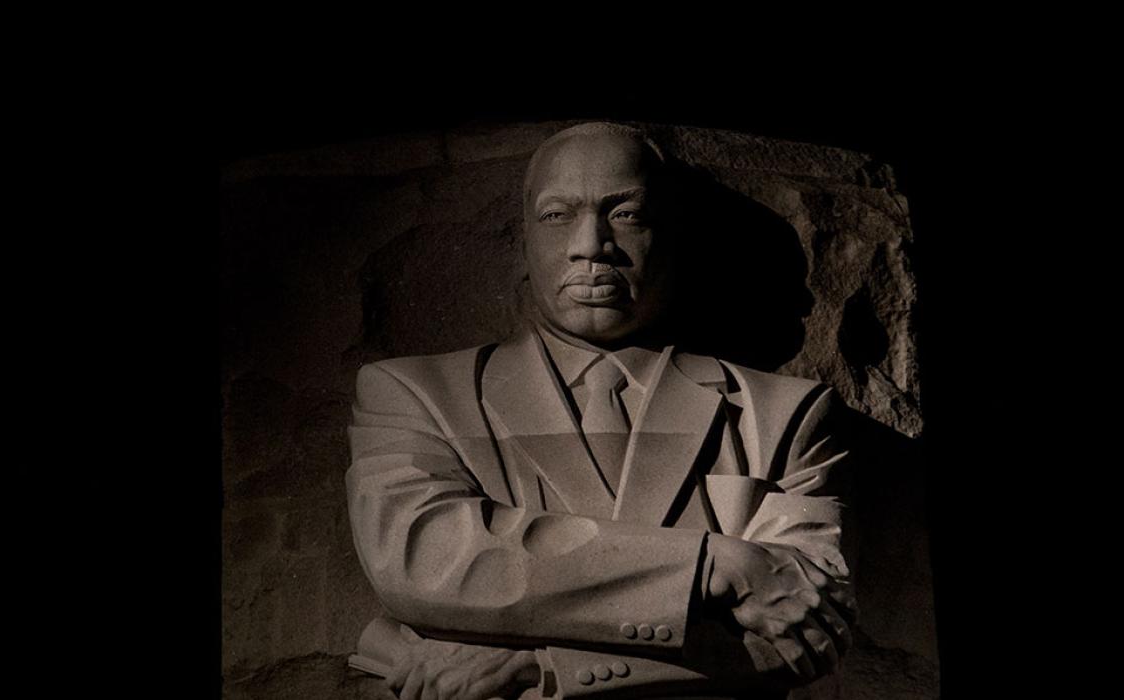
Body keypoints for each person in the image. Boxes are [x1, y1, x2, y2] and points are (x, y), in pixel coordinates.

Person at [345, 122, 856, 699]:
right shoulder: (415, 393)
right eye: (558, 214)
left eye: (627, 214)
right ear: (525, 239)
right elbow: (427, 558)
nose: (591, 244)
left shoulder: (782, 413)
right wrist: (713, 565)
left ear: (673, 233)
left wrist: (547, 668)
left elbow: (806, 634)